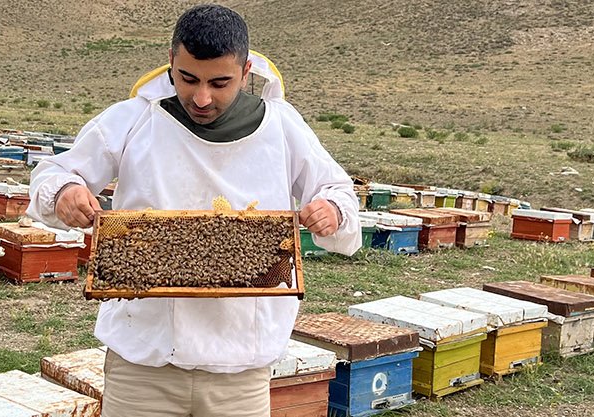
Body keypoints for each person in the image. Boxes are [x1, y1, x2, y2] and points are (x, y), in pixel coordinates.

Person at [27, 4, 361, 416]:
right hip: (142, 360)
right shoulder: (133, 119)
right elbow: (53, 173)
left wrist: (331, 210)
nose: (201, 97)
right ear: (170, 62)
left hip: (240, 364)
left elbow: (339, 192)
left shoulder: (283, 126)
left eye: (219, 82)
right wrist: (65, 191)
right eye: (187, 78)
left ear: (246, 70)